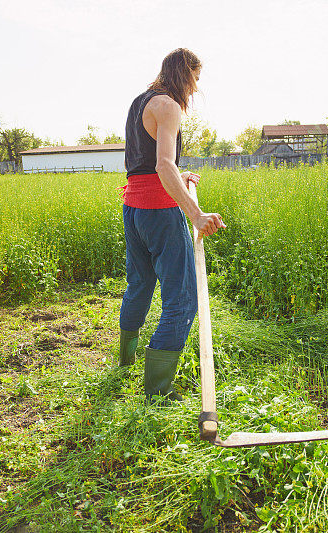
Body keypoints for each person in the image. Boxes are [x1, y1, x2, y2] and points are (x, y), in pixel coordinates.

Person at [117, 48, 225, 402]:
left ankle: (125, 359)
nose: (195, 88)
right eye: (195, 79)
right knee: (182, 299)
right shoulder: (169, 106)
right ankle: (158, 391)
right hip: (159, 212)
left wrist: (181, 174)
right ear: (185, 74)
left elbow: (146, 164)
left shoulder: (140, 102)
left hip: (133, 208)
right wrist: (196, 214)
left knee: (141, 283)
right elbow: (163, 166)